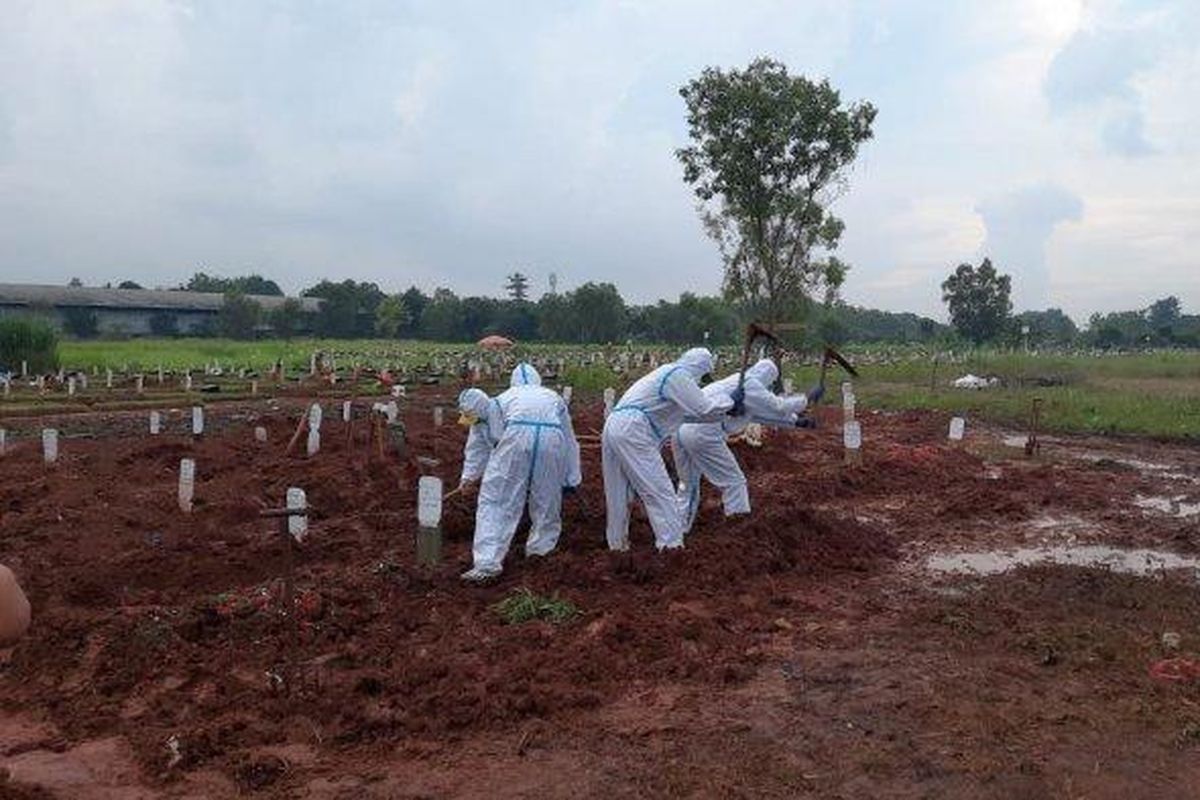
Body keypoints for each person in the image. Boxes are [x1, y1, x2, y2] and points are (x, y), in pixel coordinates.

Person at [601, 347, 732, 551]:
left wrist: (725, 411)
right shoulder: (678, 375)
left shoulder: (666, 374)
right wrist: (730, 402)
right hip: (634, 429)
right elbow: (703, 408)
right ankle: (671, 547)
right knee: (660, 491)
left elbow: (693, 415)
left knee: (619, 490)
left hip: (615, 424)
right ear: (700, 368)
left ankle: (617, 545)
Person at [461, 363, 582, 582]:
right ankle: (541, 553)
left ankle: (487, 563)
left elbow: (480, 444)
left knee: (497, 500)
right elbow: (569, 439)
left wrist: (469, 478)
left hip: (516, 435)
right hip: (551, 439)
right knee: (547, 499)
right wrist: (571, 477)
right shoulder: (553, 397)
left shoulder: (498, 401)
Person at [673, 358, 819, 533]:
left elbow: (760, 415)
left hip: (680, 429)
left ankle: (677, 529)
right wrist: (807, 398)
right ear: (769, 377)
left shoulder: (734, 382)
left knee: (687, 484)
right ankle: (739, 532)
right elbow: (778, 406)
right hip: (703, 434)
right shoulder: (751, 385)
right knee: (734, 482)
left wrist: (797, 422)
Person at [457, 387, 502, 489]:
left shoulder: (502, 412)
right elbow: (476, 450)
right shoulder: (478, 423)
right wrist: (468, 477)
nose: (472, 421)